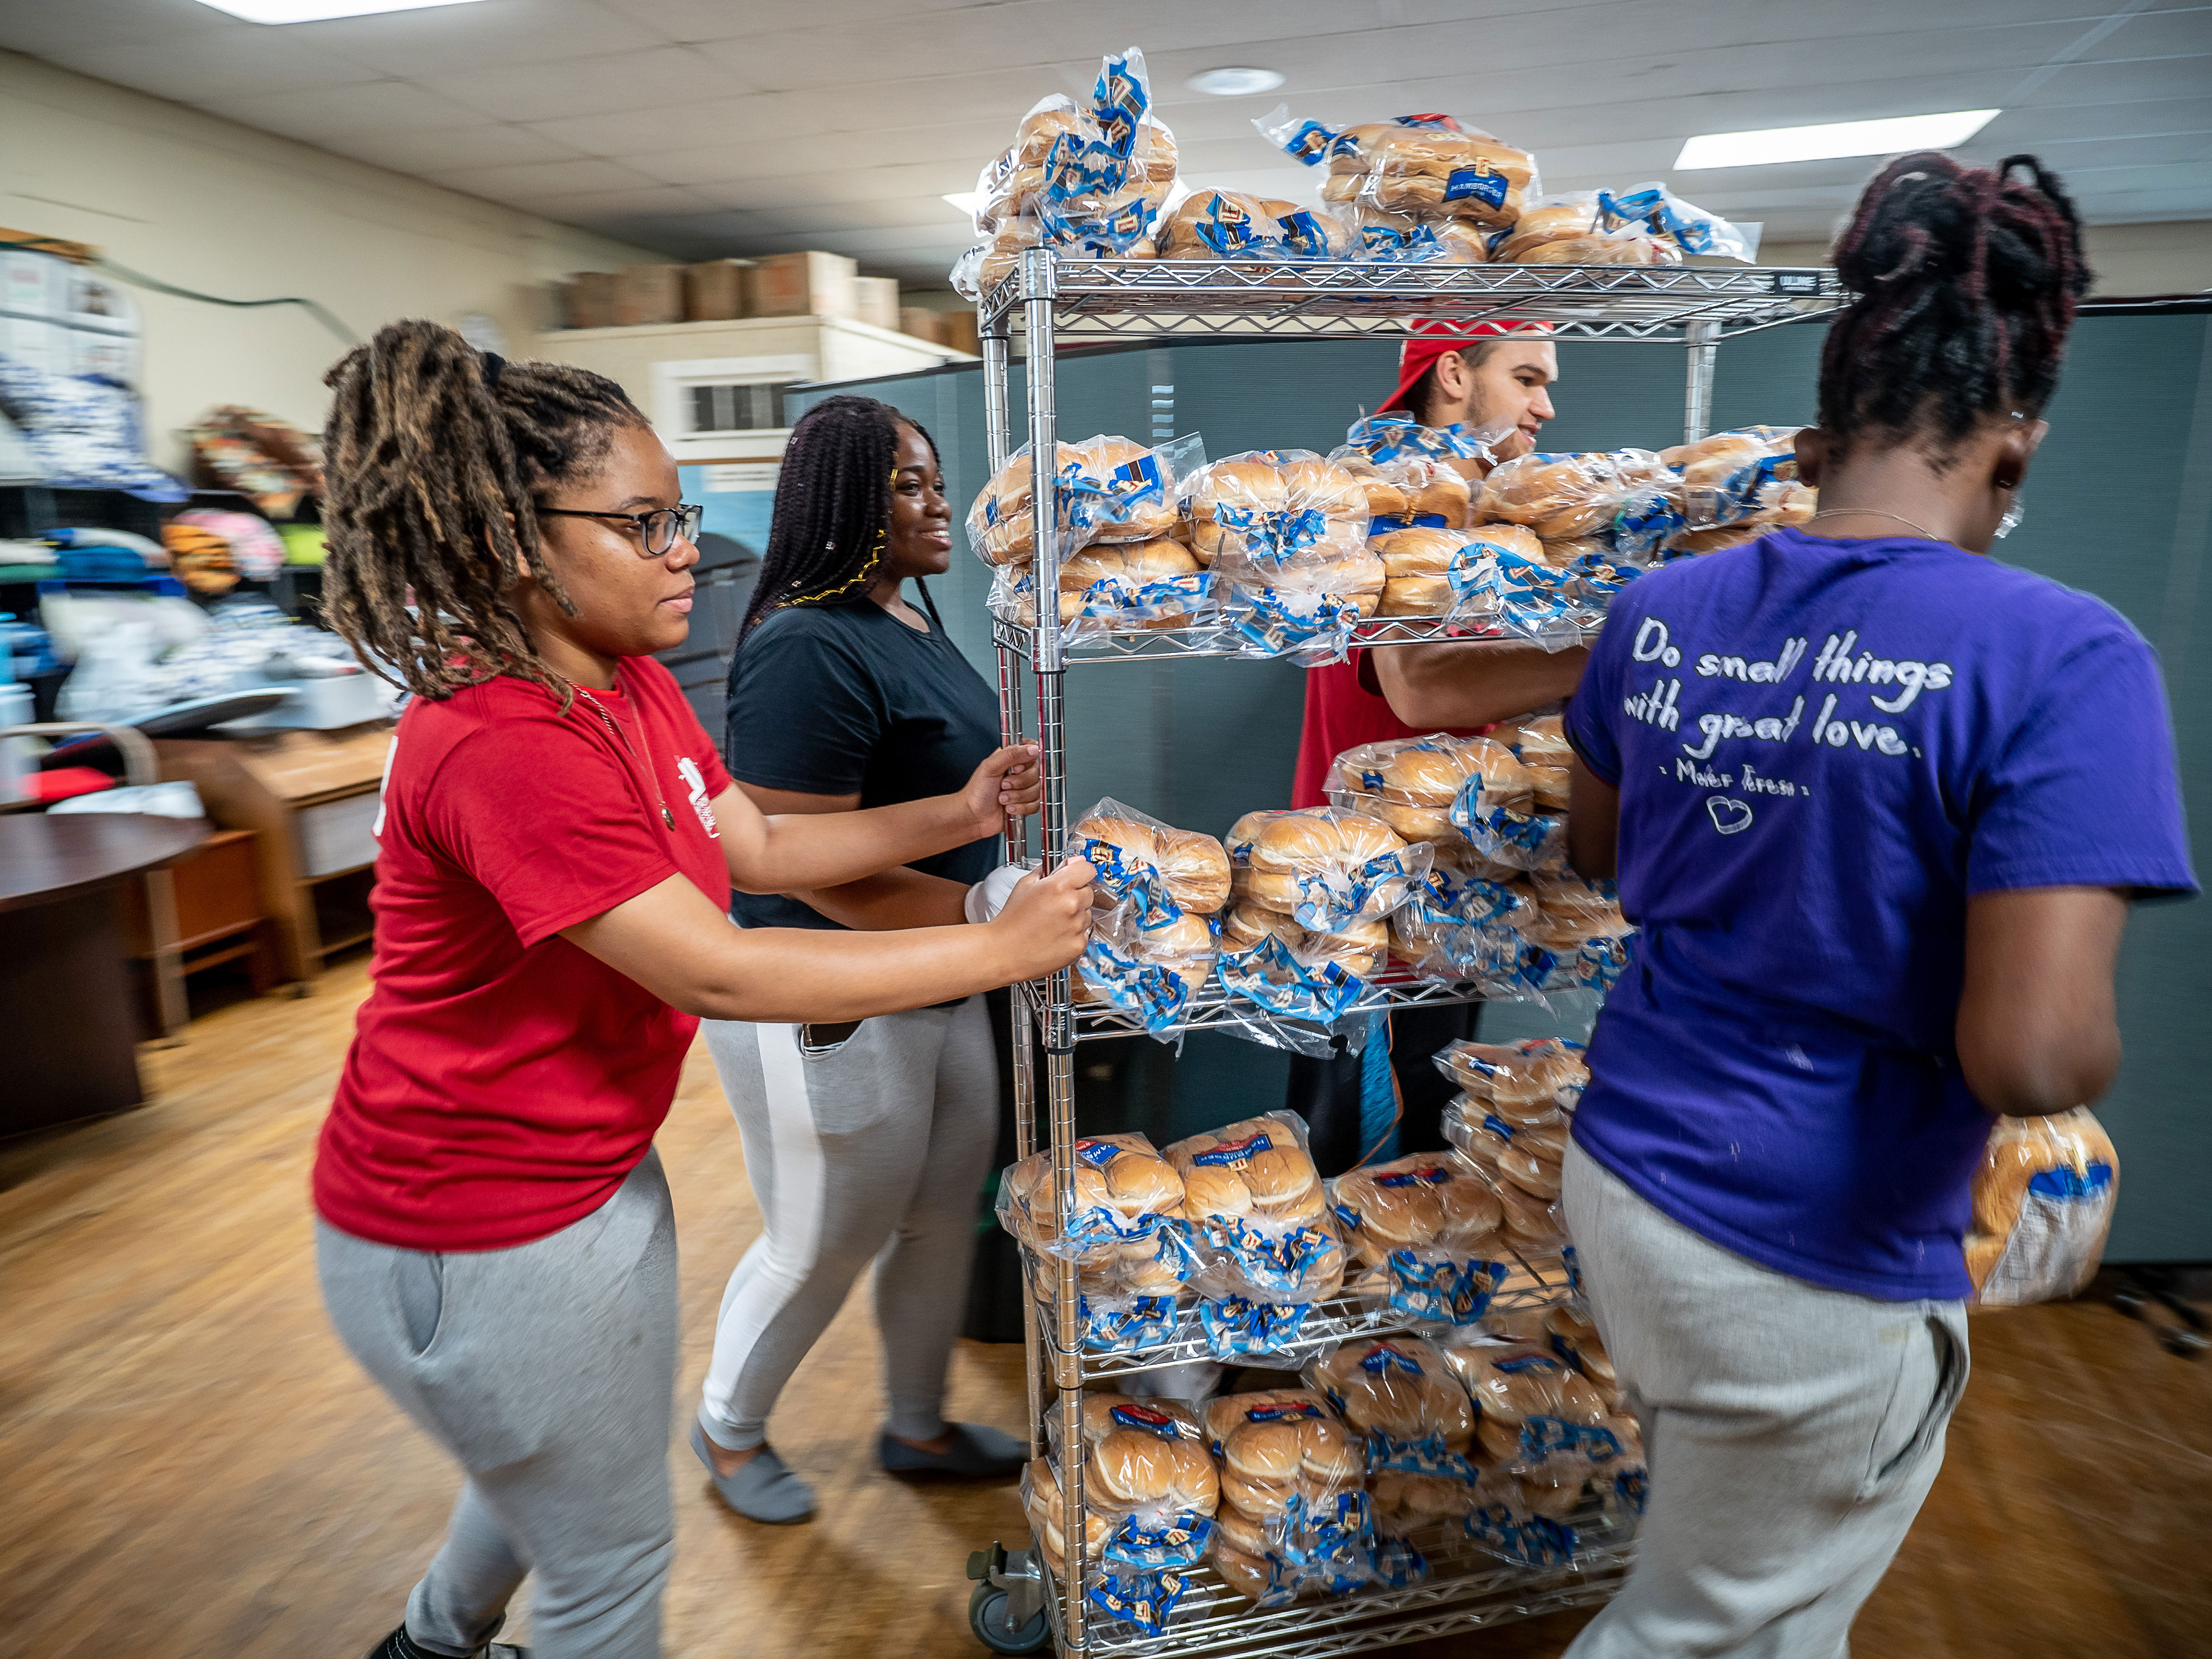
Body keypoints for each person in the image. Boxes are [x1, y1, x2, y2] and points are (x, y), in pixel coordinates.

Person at [311, 327, 1094, 1659]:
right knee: (611, 1558)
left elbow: (766, 848)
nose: (689, 545)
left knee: (552, 1472)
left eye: (678, 513)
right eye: (644, 521)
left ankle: (433, 1641)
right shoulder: (500, 738)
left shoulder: (628, 686)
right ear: (513, 536)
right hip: (471, 1219)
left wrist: (952, 811)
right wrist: (1000, 946)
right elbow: (717, 963)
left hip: (585, 1167)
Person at [1554, 155, 2196, 1655]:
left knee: (1757, 1600)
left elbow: (1600, 849)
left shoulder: (1660, 609)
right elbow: (2029, 1065)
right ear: (2016, 452)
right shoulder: (2063, 656)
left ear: (1816, 430)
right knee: (1709, 1627)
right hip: (1807, 1242)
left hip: (1632, 1172)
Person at [687, 395, 1033, 1526]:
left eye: (937, 480)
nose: (940, 504)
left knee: (944, 1207)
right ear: (842, 501)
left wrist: (983, 917)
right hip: (821, 989)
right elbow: (802, 865)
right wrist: (988, 913)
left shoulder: (904, 620)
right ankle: (729, 1429)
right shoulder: (804, 643)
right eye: (909, 484)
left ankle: (917, 1421)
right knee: (823, 1234)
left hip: (934, 967)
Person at [1284, 320, 1573, 1170]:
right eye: (1526, 378)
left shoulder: (1472, 499)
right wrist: (1606, 654)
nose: (1545, 404)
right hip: (1372, 907)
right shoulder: (1394, 488)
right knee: (1368, 1159)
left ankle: (1413, 1306)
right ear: (1453, 373)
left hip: (1449, 886)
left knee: (1429, 1156)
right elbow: (1422, 687)